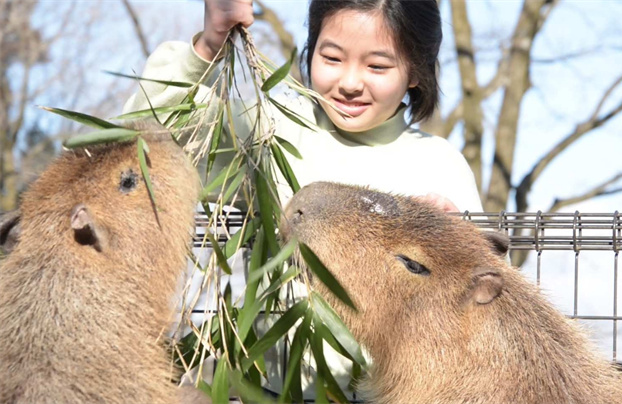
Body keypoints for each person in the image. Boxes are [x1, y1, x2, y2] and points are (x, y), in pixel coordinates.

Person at [123, 0, 484, 399]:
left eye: (377, 66)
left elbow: (482, 299)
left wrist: (453, 240)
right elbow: (144, 140)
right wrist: (208, 47)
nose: (349, 81)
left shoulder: (441, 165)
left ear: (416, 70)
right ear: (310, 50)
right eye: (332, 57)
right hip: (272, 387)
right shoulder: (269, 132)